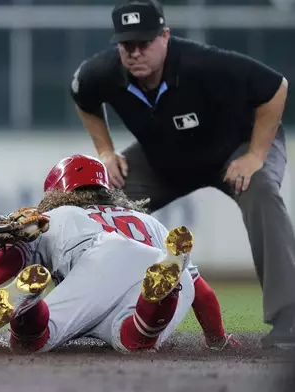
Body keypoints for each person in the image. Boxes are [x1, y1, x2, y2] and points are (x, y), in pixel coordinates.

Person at [69, 0, 292, 348]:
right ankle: (72, 314)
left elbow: (275, 87)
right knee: (99, 203)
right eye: (128, 45)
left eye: (145, 42)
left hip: (236, 149)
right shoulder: (102, 73)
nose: (135, 52)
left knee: (262, 191)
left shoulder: (203, 63)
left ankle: (289, 320)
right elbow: (83, 98)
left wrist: (256, 155)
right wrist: (106, 152)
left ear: (166, 37)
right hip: (165, 159)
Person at [0, 154, 239, 353]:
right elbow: (204, 295)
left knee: (34, 341)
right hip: (158, 262)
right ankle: (160, 293)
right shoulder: (148, 221)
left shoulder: (54, 217)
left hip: (102, 259)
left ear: (54, 192)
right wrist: (218, 340)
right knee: (134, 340)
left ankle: (27, 304)